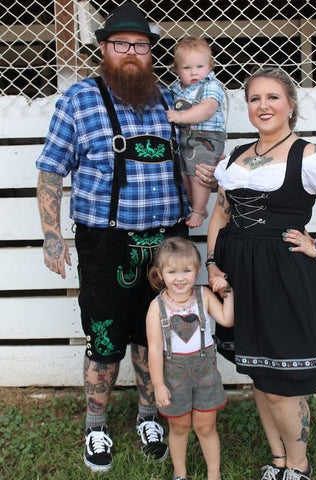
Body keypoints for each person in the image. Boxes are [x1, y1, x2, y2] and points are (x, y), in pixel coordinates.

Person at [36, 2, 192, 473]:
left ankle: (149, 416)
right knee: (104, 339)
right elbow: (50, 170)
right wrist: (50, 235)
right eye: (120, 44)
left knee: (153, 339)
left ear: (151, 53)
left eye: (140, 46)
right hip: (106, 243)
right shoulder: (79, 100)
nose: (130, 53)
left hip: (168, 245)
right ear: (103, 48)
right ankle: (96, 424)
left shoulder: (172, 101)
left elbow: (198, 156)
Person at [205, 67, 316, 480]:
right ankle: (277, 461)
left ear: (290, 105)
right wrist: (212, 263)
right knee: (261, 376)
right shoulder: (237, 157)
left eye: (272, 97)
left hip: (282, 277)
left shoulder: (308, 156)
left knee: (283, 381)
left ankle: (299, 466)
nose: (263, 106)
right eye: (254, 99)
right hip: (240, 275)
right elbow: (221, 214)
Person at [146, 236, 234, 480]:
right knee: (179, 426)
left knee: (206, 427)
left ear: (197, 270)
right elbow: (154, 348)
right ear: (160, 274)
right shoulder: (157, 307)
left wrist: (227, 292)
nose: (180, 277)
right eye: (172, 271)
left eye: (187, 270)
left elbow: (227, 319)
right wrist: (158, 385)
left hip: (204, 371)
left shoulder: (203, 296)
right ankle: (180, 473)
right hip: (173, 376)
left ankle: (213, 474)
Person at [166, 37, 227, 228]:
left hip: (205, 138)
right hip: (185, 138)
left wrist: (180, 117)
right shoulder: (176, 89)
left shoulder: (210, 86)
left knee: (197, 173)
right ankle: (195, 206)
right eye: (187, 68)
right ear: (176, 69)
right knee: (183, 173)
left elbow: (206, 109)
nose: (194, 72)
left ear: (210, 66)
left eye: (200, 66)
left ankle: (199, 211)